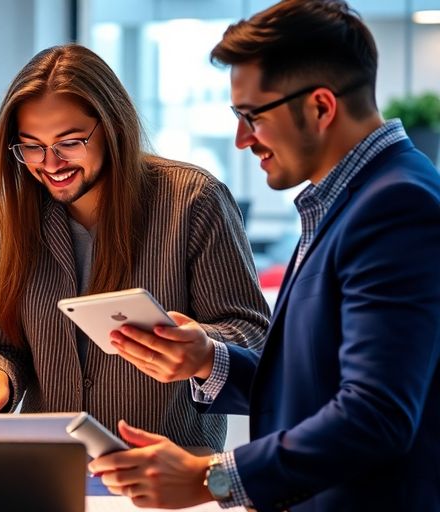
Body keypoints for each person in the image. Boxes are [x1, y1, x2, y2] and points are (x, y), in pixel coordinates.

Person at [90, 1, 440, 510]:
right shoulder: (348, 197)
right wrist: (207, 360)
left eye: (252, 116)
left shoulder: (395, 205)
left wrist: (210, 478)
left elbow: (374, 414)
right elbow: (314, 384)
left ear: (321, 107)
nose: (241, 139)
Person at [0, 44, 270, 450]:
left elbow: (255, 338)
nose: (50, 164)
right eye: (31, 146)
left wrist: (201, 347)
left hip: (167, 469)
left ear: (113, 126)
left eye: (69, 142)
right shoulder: (3, 223)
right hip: (49, 464)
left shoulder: (192, 200)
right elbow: (0, 345)